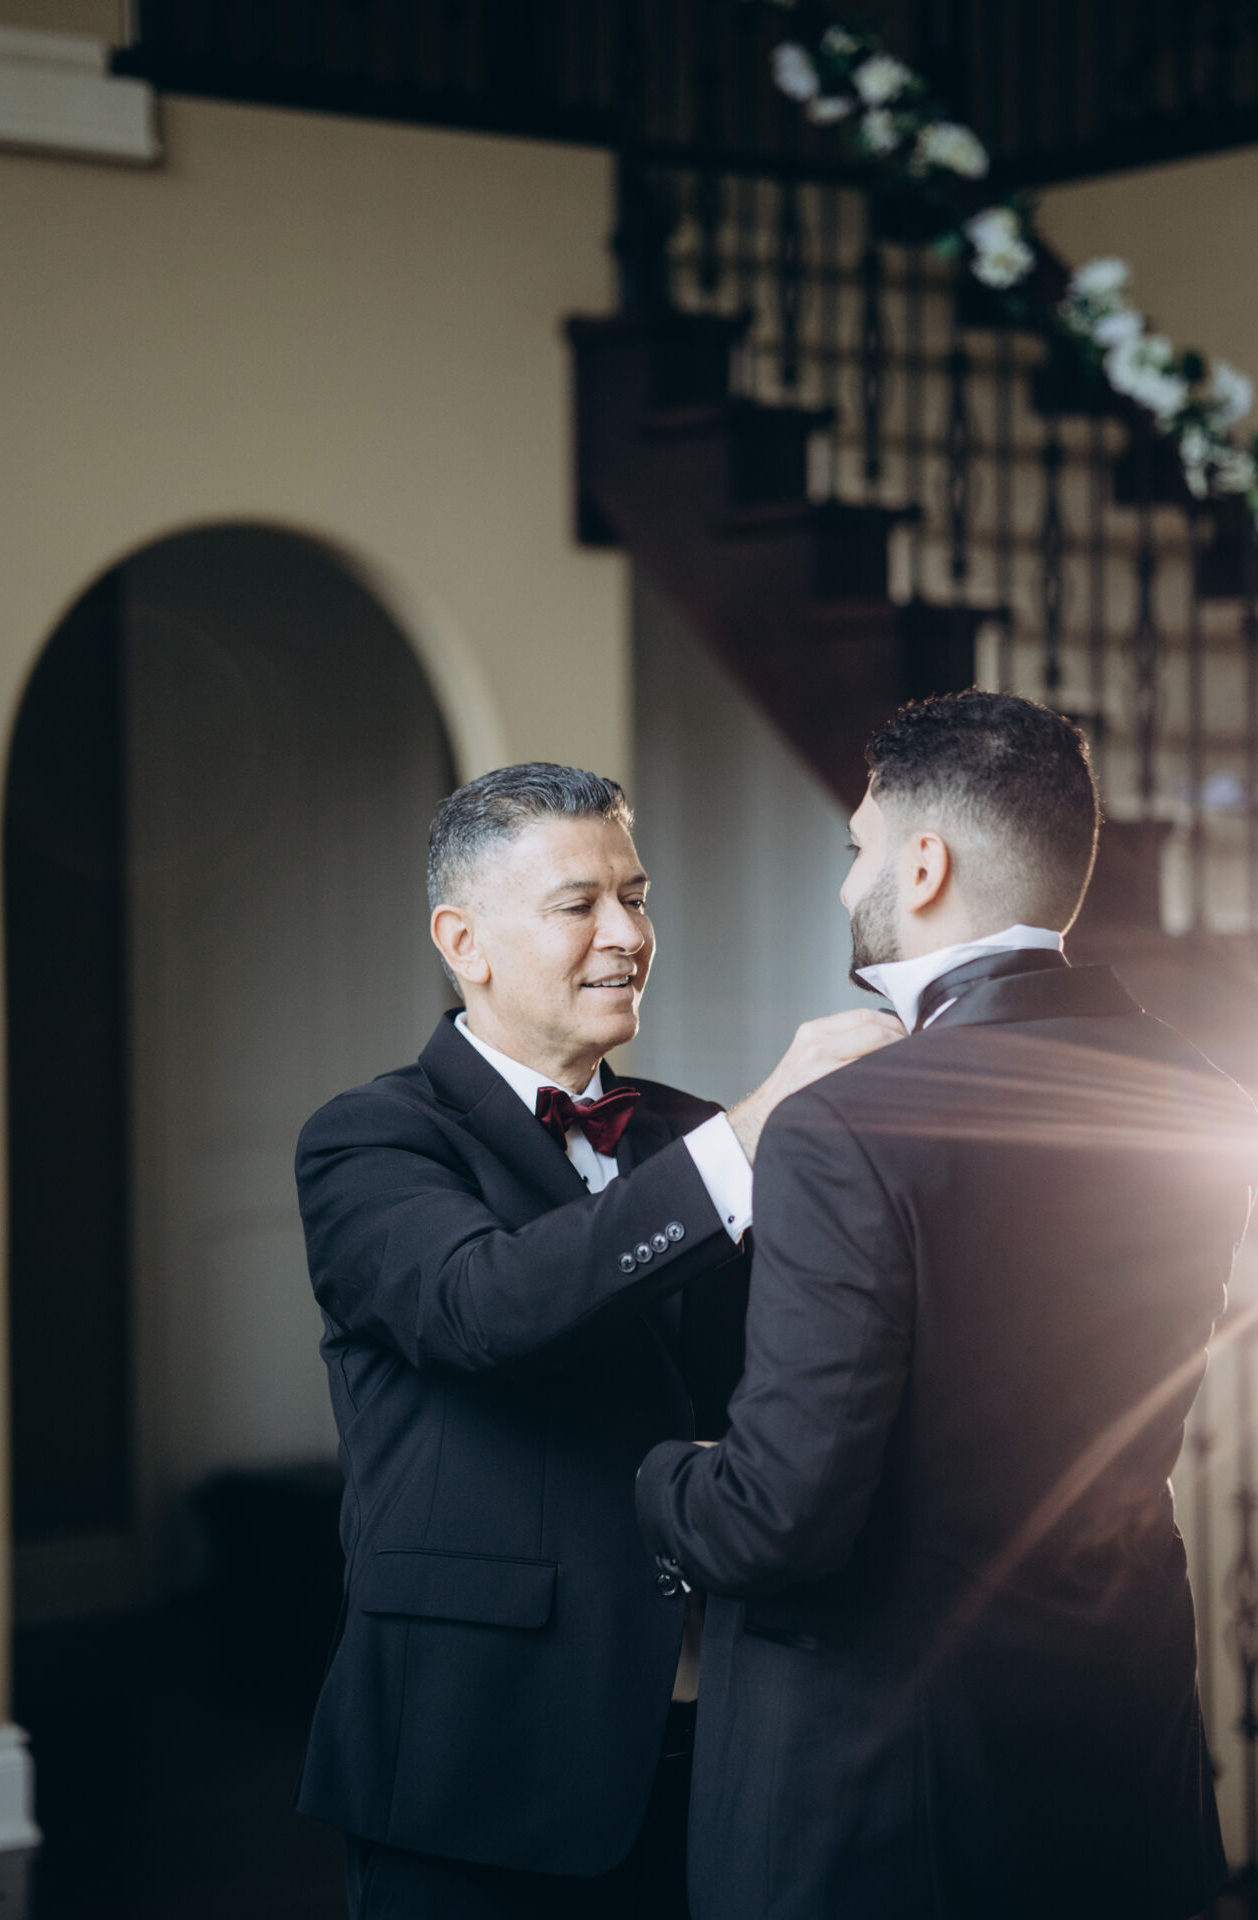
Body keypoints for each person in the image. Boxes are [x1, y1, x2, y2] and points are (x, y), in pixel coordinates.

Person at [636, 690, 1257, 1920]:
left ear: (922, 866)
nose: (845, 880)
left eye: (856, 845)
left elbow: (776, 1524)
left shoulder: (841, 1126)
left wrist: (659, 1475)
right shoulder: (1203, 1094)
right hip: (1118, 1757)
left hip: (886, 1801)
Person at [292, 761, 902, 1919]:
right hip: (479, 1752)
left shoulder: (684, 1132)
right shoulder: (368, 1139)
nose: (626, 935)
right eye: (578, 905)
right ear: (462, 942)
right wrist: (749, 1136)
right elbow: (482, 1309)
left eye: (636, 896)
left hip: (719, 1736)